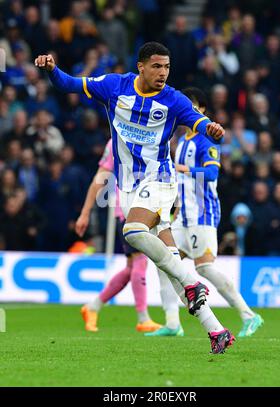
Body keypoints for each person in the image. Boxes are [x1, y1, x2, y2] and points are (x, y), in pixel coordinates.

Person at [35, 42, 234, 354]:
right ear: (141, 66)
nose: (163, 73)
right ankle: (217, 330)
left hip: (161, 180)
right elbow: (68, 84)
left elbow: (198, 122)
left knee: (132, 230)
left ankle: (193, 282)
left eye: (167, 67)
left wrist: (211, 129)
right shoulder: (115, 86)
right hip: (128, 187)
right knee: (171, 268)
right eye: (157, 66)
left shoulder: (174, 99)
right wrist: (51, 70)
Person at [147, 87, 263, 338]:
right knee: (162, 260)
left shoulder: (206, 139)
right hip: (183, 217)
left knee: (205, 268)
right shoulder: (183, 142)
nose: (188, 111)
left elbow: (212, 174)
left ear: (202, 111)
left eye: (193, 106)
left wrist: (182, 169)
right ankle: (172, 323)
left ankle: (249, 315)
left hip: (203, 214)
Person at [75, 139, 161, 333]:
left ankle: (92, 307)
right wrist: (85, 212)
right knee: (140, 261)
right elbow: (100, 177)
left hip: (146, 207)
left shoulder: (149, 134)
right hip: (128, 210)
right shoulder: (116, 141)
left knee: (132, 267)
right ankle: (143, 318)